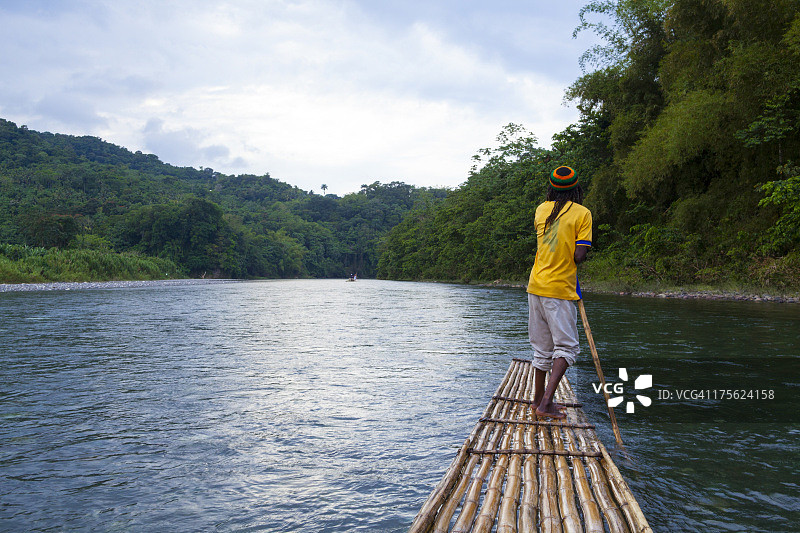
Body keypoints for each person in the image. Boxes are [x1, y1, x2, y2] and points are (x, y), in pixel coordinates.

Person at [527, 166, 592, 419]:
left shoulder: (541, 209)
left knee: (542, 348)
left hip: (535, 285)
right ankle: (545, 404)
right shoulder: (582, 213)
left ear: (552, 188)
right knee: (567, 348)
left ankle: (536, 401)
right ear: (576, 188)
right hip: (559, 288)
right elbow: (579, 254)